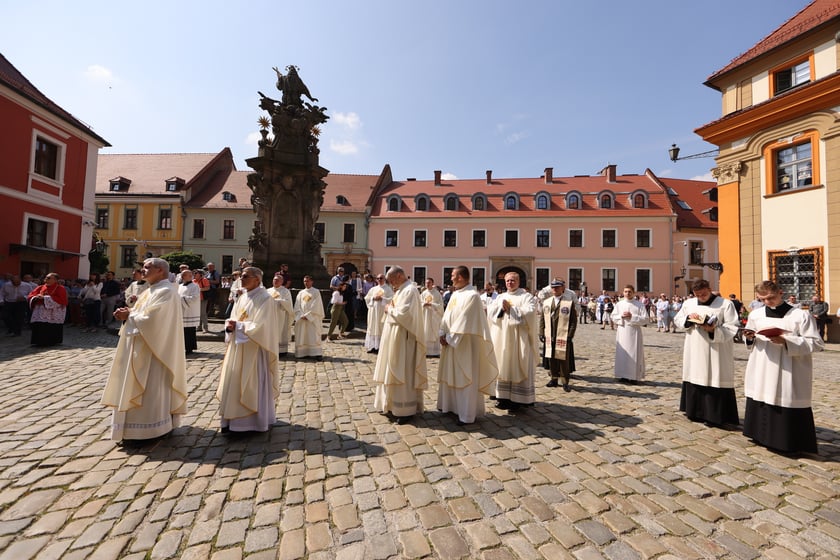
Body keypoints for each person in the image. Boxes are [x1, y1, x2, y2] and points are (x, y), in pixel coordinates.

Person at [101, 258, 187, 445]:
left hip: (155, 351)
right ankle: (132, 429)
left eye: (148, 267)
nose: (143, 270)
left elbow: (154, 320)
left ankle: (151, 429)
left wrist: (129, 315)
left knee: (151, 388)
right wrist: (129, 312)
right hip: (140, 346)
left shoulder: (167, 291)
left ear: (161, 271)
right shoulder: (151, 291)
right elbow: (143, 313)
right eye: (143, 267)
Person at [742, 281, 824, 454]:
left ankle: (786, 442)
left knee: (784, 396)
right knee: (761, 394)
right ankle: (759, 435)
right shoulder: (756, 315)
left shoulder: (800, 316)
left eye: (770, 298)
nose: (767, 302)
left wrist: (787, 341)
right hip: (762, 363)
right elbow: (751, 338)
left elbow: (816, 343)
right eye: (762, 299)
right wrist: (749, 337)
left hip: (789, 367)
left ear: (781, 293)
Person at [217, 267, 280, 433]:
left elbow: (263, 326)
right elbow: (235, 317)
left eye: (246, 277)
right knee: (234, 381)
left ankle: (250, 423)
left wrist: (238, 326)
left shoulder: (266, 299)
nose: (242, 279)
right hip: (238, 347)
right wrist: (230, 326)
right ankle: (232, 420)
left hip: (254, 349)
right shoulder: (243, 297)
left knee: (251, 382)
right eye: (242, 276)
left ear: (257, 280)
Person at [673, 279, 741, 427]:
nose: (701, 297)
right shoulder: (689, 303)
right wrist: (688, 321)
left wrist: (713, 330)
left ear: (710, 289)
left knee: (714, 376)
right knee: (695, 374)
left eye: (703, 294)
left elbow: (732, 327)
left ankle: (714, 416)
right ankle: (694, 412)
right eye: (697, 295)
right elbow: (678, 319)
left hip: (716, 348)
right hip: (695, 345)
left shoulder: (725, 304)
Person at [438, 266, 499, 425]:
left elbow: (465, 321)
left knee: (465, 377)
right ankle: (452, 407)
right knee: (452, 375)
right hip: (451, 343)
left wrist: (450, 338)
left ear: (461, 277)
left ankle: (466, 414)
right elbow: (447, 315)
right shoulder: (456, 294)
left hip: (465, 345)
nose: (450, 278)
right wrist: (442, 333)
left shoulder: (472, 296)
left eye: (453, 275)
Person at [373, 266, 428, 424]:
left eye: (392, 280)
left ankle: (405, 409)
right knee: (391, 369)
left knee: (402, 371)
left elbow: (405, 315)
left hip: (404, 339)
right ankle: (391, 404)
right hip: (393, 337)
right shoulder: (400, 290)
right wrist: (389, 310)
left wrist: (389, 309)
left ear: (399, 275)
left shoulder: (410, 290)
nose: (391, 284)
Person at [488, 272, 539, 410]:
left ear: (518, 281)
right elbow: (491, 313)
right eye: (508, 281)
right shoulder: (500, 297)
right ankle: (502, 398)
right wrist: (500, 308)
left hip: (519, 339)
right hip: (502, 338)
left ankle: (520, 399)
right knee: (503, 363)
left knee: (519, 362)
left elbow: (530, 313)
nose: (510, 283)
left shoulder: (526, 296)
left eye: (513, 280)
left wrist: (511, 309)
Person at [540, 279, 577, 391]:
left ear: (562, 288)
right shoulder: (547, 302)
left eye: (557, 287)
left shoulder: (568, 303)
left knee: (563, 359)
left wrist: (570, 335)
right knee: (551, 358)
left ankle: (565, 381)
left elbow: (573, 321)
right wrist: (541, 332)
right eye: (553, 287)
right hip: (549, 335)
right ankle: (554, 378)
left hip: (563, 334)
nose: (555, 289)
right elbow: (542, 319)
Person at [611, 285, 647, 383]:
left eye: (630, 291)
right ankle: (622, 375)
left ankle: (633, 376)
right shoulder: (619, 304)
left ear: (634, 292)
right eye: (626, 291)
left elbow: (645, 319)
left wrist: (632, 316)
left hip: (634, 333)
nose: (627, 293)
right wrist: (621, 316)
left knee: (634, 353)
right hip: (622, 331)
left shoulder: (639, 305)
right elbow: (613, 316)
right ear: (623, 292)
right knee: (622, 354)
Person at [27, 272, 67, 347]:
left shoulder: (60, 288)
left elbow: (62, 300)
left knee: (50, 326)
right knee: (40, 325)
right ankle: (38, 341)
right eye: (46, 278)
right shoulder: (41, 287)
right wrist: (35, 297)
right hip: (40, 310)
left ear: (55, 280)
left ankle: (51, 341)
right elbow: (31, 295)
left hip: (53, 312)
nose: (46, 279)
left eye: (48, 278)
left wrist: (45, 298)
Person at [294, 275, 324, 360]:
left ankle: (316, 353)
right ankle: (302, 353)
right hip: (302, 318)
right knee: (302, 335)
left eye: (307, 281)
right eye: (304, 281)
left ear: (312, 281)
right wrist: (300, 315)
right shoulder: (301, 293)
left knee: (313, 335)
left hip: (312, 318)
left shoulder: (316, 292)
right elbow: (297, 305)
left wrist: (308, 315)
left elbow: (316, 305)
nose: (306, 283)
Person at [266, 273, 294, 357]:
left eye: (277, 280)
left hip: (281, 316)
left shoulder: (285, 291)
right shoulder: (268, 291)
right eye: (274, 280)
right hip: (270, 316)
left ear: (282, 282)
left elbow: (288, 303)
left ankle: (281, 351)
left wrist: (279, 301)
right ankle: (269, 349)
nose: (275, 281)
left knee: (280, 332)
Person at [364, 273, 393, 354]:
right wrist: (373, 298)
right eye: (378, 278)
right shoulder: (373, 289)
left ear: (384, 279)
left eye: (381, 278)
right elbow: (367, 298)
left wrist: (382, 298)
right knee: (372, 328)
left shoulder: (388, 289)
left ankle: (380, 347)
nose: (379, 280)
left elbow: (392, 299)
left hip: (382, 313)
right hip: (373, 313)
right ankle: (372, 346)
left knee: (380, 328)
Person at [178, 269, 200, 355]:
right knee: (182, 330)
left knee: (189, 330)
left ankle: (189, 348)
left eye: (191, 275)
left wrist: (181, 298)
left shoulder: (195, 286)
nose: (191, 276)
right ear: (183, 276)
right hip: (181, 310)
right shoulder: (179, 286)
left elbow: (195, 297)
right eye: (188, 275)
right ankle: (182, 347)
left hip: (190, 311)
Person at [420, 278, 444, 357]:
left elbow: (440, 306)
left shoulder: (437, 294)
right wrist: (424, 304)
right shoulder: (423, 293)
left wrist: (432, 305)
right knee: (426, 331)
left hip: (434, 317)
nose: (427, 284)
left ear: (432, 283)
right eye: (426, 283)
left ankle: (435, 352)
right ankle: (426, 352)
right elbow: (419, 303)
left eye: (429, 283)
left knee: (434, 332)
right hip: (425, 316)